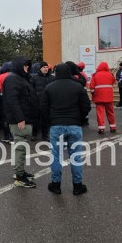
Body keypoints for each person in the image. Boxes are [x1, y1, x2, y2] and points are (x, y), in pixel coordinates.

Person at [41, 63, 92, 196]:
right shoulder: (78, 87)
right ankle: (77, 186)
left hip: (56, 125)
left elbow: (44, 108)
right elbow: (86, 106)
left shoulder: (49, 87)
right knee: (75, 156)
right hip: (74, 125)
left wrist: (50, 122)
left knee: (56, 155)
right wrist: (79, 119)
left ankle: (56, 185)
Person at [3, 56, 40, 188]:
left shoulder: (20, 79)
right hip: (20, 121)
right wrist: (20, 118)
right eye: (25, 65)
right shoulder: (13, 79)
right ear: (18, 65)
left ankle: (20, 171)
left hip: (25, 119)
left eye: (28, 65)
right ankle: (19, 176)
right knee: (20, 148)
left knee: (22, 148)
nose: (27, 67)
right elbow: (12, 101)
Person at [89, 62, 117, 134]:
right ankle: (113, 127)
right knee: (110, 112)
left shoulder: (95, 75)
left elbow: (92, 87)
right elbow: (113, 81)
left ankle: (101, 128)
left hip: (99, 97)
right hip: (108, 97)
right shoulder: (110, 74)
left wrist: (93, 93)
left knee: (100, 113)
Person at [30, 62, 54, 141]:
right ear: (40, 68)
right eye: (44, 67)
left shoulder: (51, 78)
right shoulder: (34, 78)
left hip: (47, 103)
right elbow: (31, 90)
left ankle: (45, 135)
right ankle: (34, 134)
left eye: (46, 67)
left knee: (46, 120)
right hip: (37, 102)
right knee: (36, 120)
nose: (45, 68)